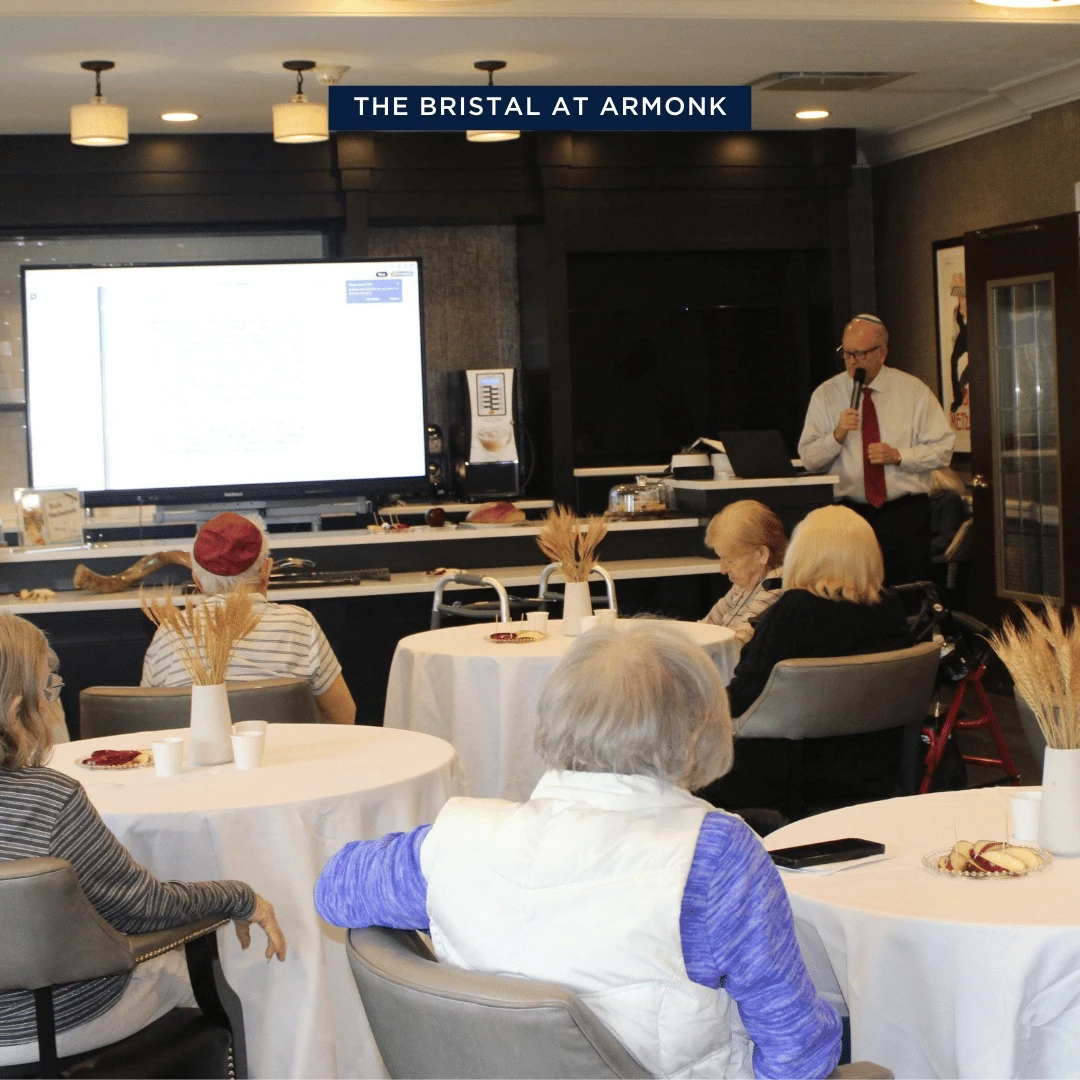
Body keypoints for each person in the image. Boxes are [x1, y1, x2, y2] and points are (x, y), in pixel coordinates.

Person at [315, 622, 842, 1080]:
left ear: (556, 718)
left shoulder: (457, 842)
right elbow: (797, 1052)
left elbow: (336, 890)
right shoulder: (715, 857)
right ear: (696, 736)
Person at [0, 613, 286, 1065]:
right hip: (45, 1026)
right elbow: (143, 908)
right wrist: (239, 896)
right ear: (16, 710)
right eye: (47, 692)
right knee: (211, 973)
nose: (49, 706)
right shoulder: (50, 798)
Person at [699, 506, 913, 818]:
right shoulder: (891, 608)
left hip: (785, 772)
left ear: (803, 553)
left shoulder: (795, 611)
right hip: (873, 768)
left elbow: (741, 697)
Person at [141, 512, 356, 725]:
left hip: (195, 749)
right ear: (267, 570)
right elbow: (344, 716)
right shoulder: (300, 625)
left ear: (197, 581)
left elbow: (147, 722)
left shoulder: (169, 632)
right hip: (285, 748)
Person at [798, 314, 955, 586]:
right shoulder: (826, 394)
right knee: (853, 591)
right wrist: (837, 435)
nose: (852, 361)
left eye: (860, 354)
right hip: (849, 514)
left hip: (904, 514)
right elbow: (810, 460)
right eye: (846, 353)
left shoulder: (913, 391)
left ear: (882, 353)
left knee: (907, 592)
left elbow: (943, 450)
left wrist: (899, 456)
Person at [701, 500, 786, 648]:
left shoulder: (774, 586)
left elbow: (740, 644)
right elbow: (706, 626)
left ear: (761, 554)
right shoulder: (744, 583)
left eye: (730, 561)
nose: (723, 569)